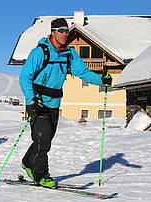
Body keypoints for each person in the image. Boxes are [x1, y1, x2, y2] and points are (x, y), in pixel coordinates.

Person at [19, 18, 112, 188]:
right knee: (43, 140)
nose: (64, 34)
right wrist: (31, 99)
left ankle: (27, 162)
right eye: (60, 30)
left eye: (66, 31)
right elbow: (25, 77)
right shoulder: (40, 52)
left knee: (44, 140)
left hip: (54, 103)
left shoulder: (69, 54)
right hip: (37, 102)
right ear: (53, 32)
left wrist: (102, 80)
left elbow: (83, 72)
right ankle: (41, 175)